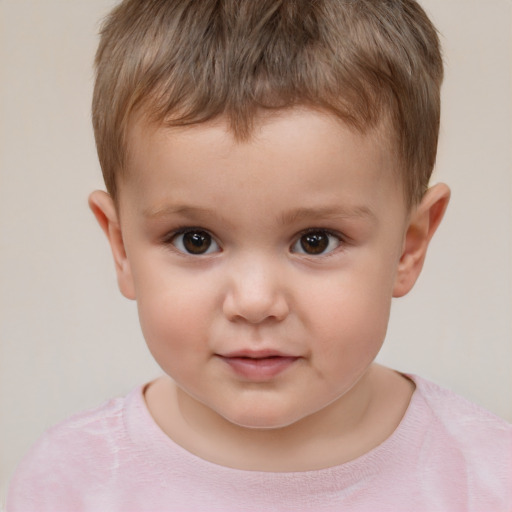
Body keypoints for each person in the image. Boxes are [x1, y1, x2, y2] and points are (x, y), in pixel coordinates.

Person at [7, 0, 511, 510]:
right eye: (195, 239)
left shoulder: (488, 478)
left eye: (316, 240)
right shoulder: (71, 484)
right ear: (121, 248)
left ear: (410, 244)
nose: (254, 302)